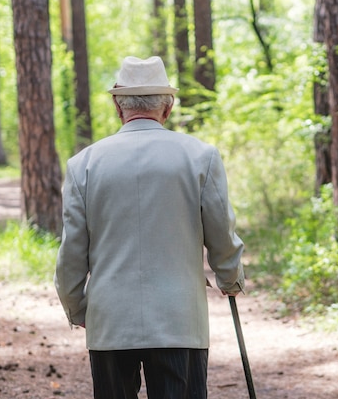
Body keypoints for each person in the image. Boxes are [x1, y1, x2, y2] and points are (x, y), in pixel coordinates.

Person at [54, 55, 245, 399]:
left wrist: (78, 307)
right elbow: (222, 235)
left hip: (110, 321)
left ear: (117, 105)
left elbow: (71, 252)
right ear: (168, 106)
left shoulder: (84, 164)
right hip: (179, 321)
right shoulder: (200, 157)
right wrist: (230, 278)